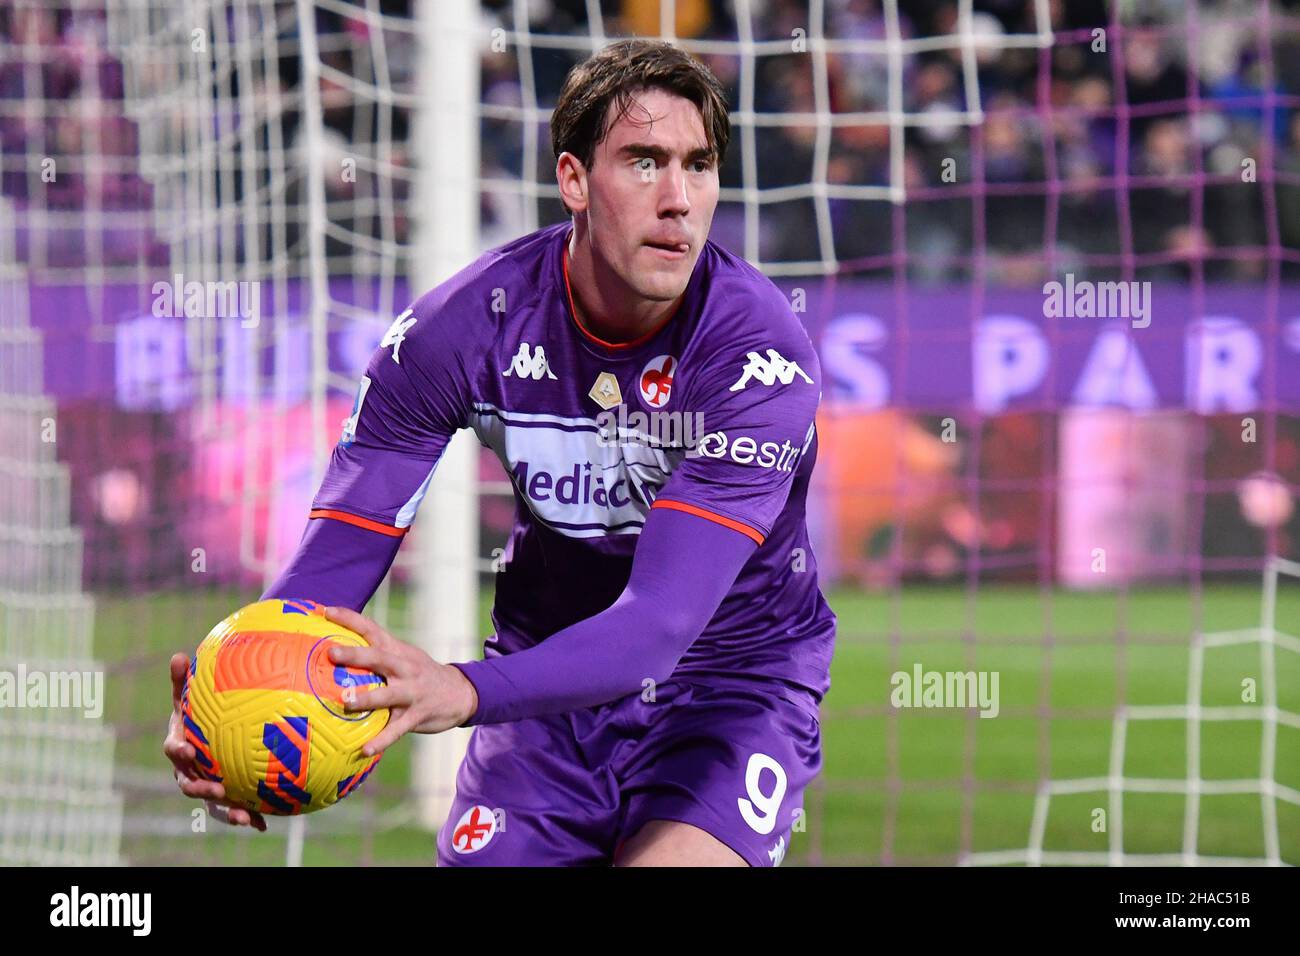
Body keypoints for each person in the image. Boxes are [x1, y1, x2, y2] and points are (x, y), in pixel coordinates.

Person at [164, 38, 836, 867]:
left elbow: (660, 625)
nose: (678, 198)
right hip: (548, 680)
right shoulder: (461, 332)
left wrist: (462, 690)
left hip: (729, 683)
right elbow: (337, 556)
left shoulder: (757, 358)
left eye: (698, 166)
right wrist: (238, 675)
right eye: (644, 161)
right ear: (575, 180)